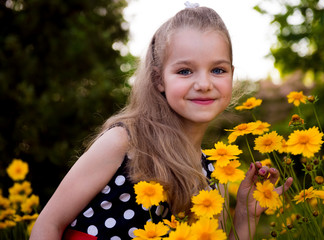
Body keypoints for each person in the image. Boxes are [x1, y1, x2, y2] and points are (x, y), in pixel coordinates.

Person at [30, 5, 292, 240]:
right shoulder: (124, 142)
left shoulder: (213, 176)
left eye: (218, 70)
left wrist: (246, 215)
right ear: (158, 79)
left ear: (232, 75)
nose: (204, 84)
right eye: (185, 71)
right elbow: (47, 226)